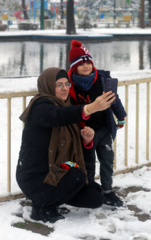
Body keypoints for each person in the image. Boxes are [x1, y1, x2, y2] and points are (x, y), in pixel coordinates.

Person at [16, 67, 115, 223]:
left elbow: (79, 155)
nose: (64, 89)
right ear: (48, 85)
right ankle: (40, 207)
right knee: (76, 176)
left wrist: (86, 142)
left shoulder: (67, 107)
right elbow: (57, 116)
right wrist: (91, 108)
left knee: (95, 197)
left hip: (58, 173)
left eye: (66, 84)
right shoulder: (40, 107)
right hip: (36, 178)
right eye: (59, 85)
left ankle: (53, 198)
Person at [67, 40, 127, 207]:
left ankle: (107, 190)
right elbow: (69, 108)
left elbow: (113, 99)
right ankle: (89, 189)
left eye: (88, 62)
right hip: (85, 132)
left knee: (107, 160)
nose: (86, 66)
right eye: (81, 64)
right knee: (88, 163)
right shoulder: (70, 85)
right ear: (73, 67)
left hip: (105, 128)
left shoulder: (102, 79)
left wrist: (120, 116)